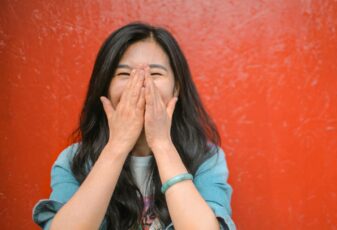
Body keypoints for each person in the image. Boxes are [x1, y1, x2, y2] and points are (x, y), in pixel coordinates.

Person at [32, 22, 235, 230]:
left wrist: (162, 144)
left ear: (176, 88)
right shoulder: (74, 160)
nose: (141, 84)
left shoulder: (206, 158)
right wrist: (117, 146)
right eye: (124, 74)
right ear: (105, 87)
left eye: (155, 74)